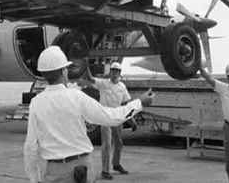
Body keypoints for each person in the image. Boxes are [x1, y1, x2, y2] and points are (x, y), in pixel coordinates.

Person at [24, 46, 154, 183]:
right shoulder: (76, 97)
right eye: (66, 68)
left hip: (55, 171)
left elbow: (30, 147)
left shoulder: (36, 103)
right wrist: (140, 102)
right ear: (62, 71)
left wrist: (34, 179)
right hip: (82, 169)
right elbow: (111, 117)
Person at [81, 62, 131, 179]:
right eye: (112, 70)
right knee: (107, 145)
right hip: (106, 118)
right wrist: (85, 65)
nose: (114, 72)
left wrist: (128, 117)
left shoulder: (122, 87)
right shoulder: (103, 83)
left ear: (119, 73)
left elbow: (125, 102)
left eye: (116, 71)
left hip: (117, 117)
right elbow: (90, 78)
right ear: (110, 72)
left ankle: (116, 164)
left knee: (118, 144)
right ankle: (105, 170)